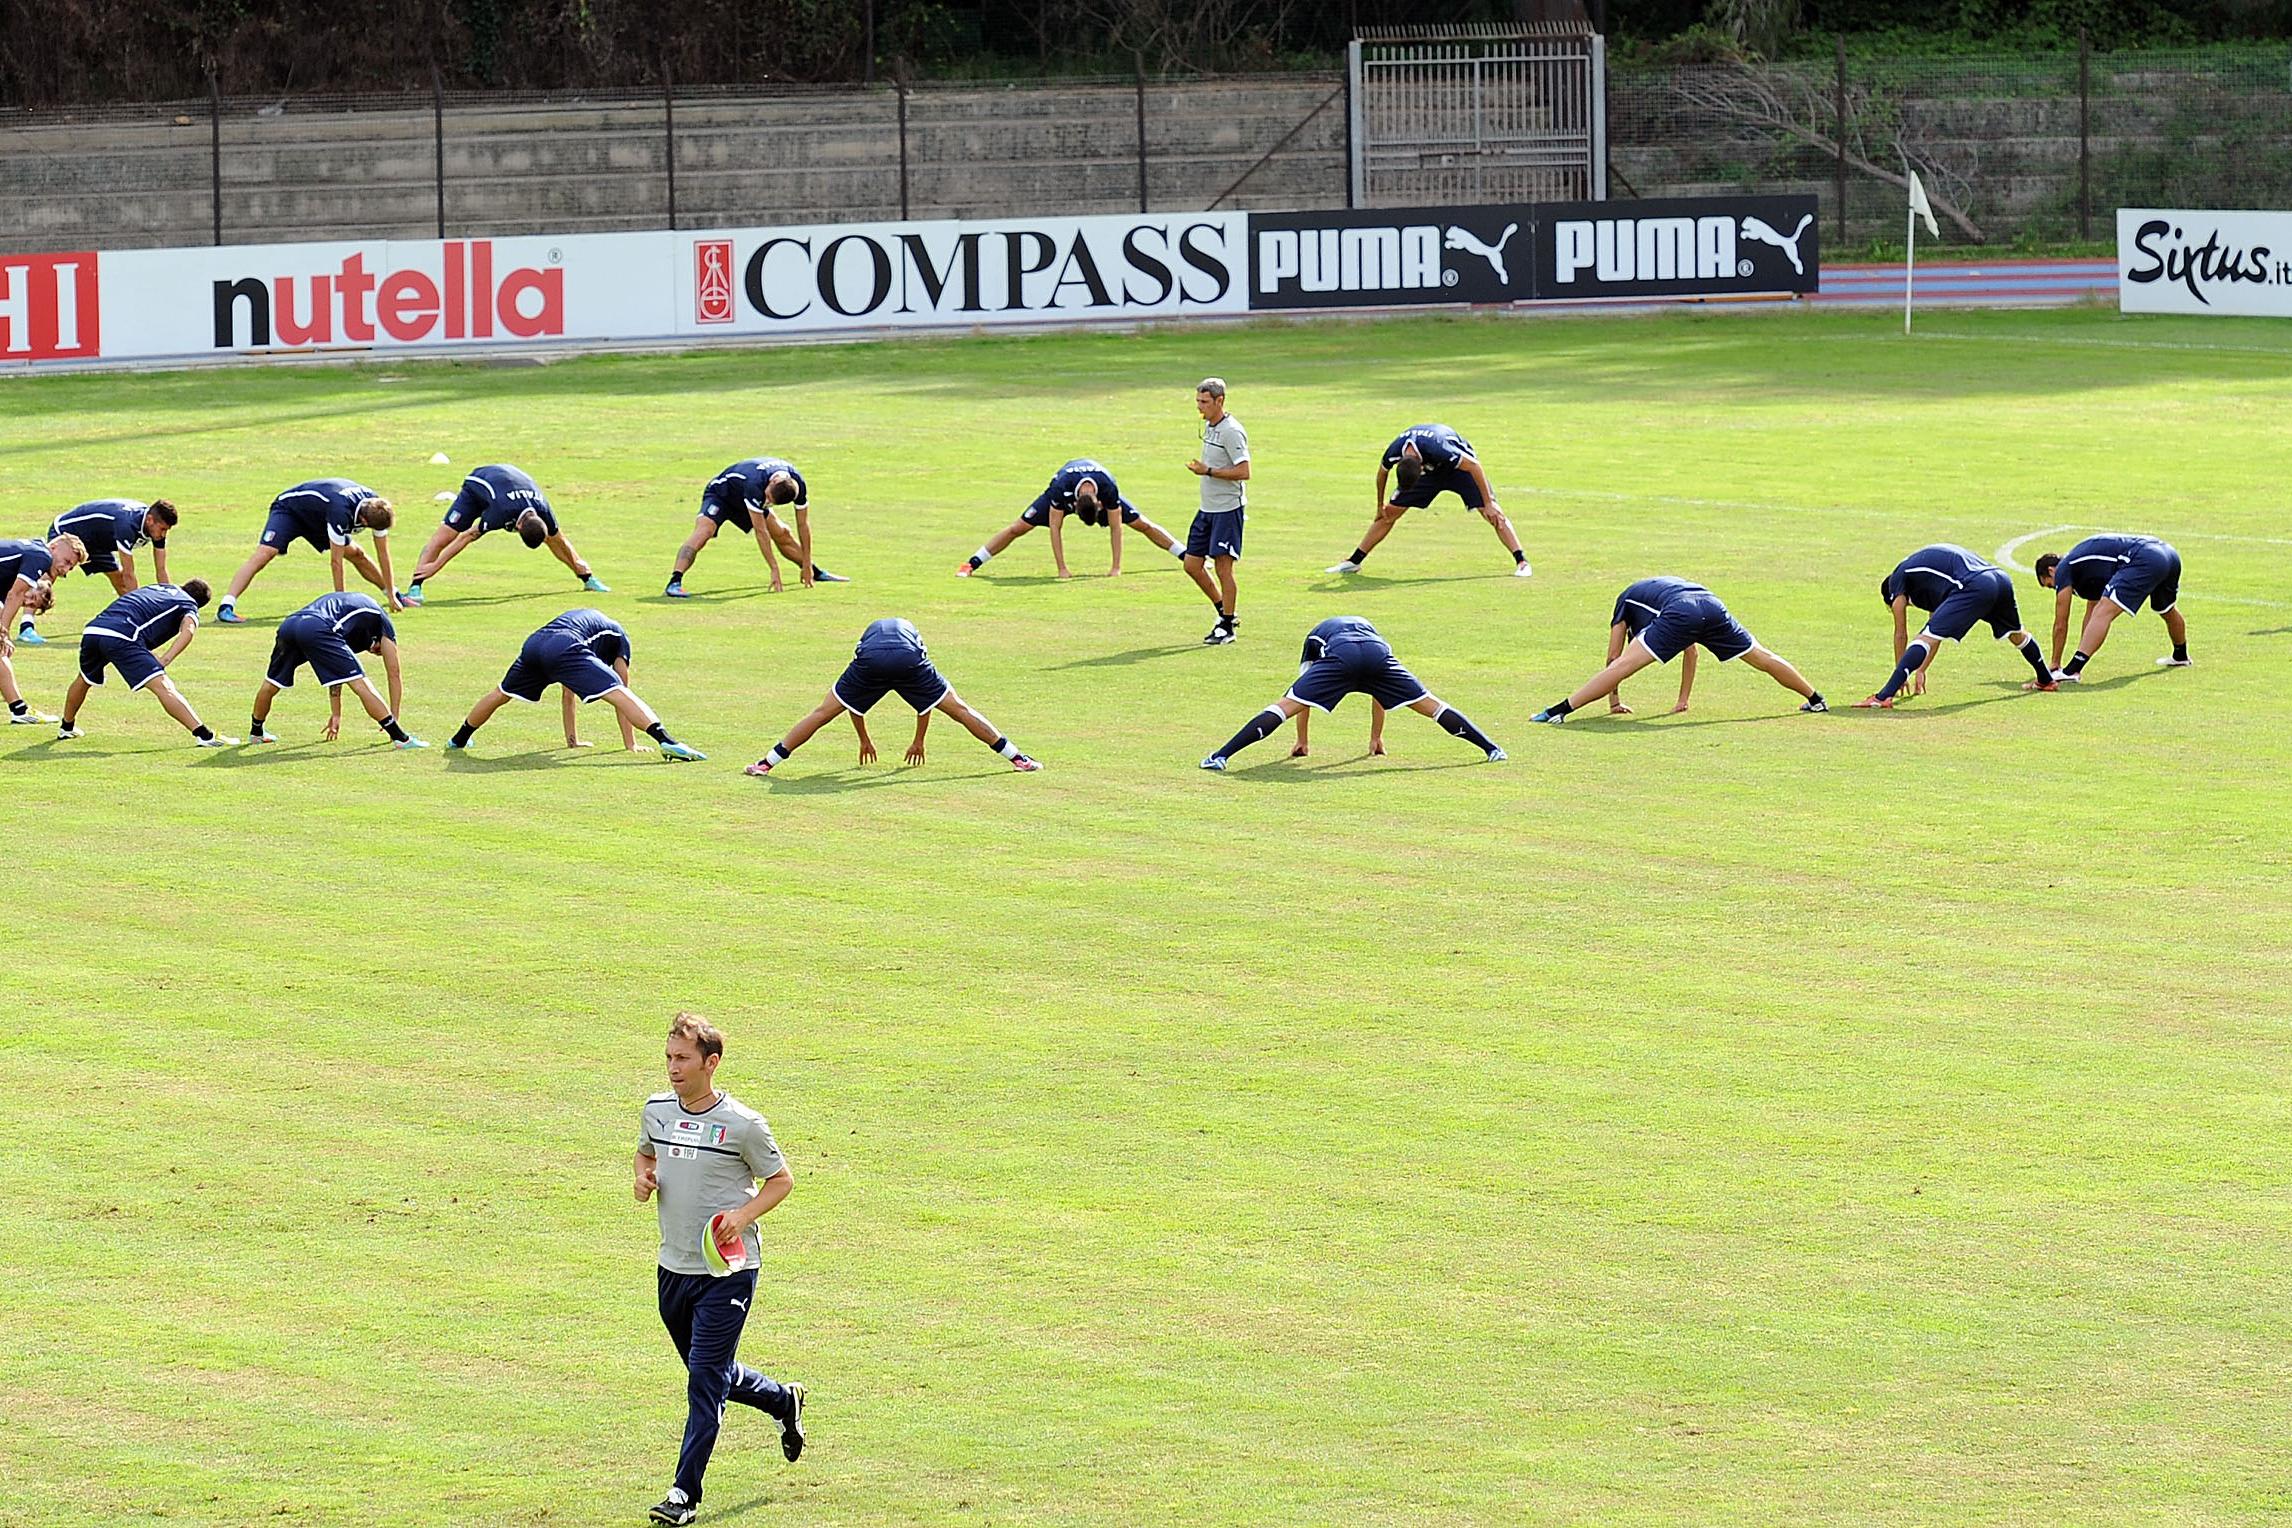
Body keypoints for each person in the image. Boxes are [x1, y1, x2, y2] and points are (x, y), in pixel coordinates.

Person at [634, 1013, 806, 1526]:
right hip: (673, 1268)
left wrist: (741, 1216)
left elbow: (781, 1180)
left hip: (728, 1273)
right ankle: (782, 1401)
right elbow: (645, 1156)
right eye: (668, 1057)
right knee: (709, 1373)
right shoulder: (656, 1110)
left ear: (711, 1063)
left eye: (682, 1058)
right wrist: (643, 1180)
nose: (672, 1068)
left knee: (703, 1384)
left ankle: (683, 1495)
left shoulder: (743, 1125)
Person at [1200, 615, 1504, 770]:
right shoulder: (1372, 632)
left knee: (1283, 706)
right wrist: (1376, 737)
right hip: (1378, 654)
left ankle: (1220, 756)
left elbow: (1301, 700)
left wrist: (1302, 741)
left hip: (1341, 656)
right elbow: (1379, 696)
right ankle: (1492, 749)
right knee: (1433, 706)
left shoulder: (1316, 636)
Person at [745, 617, 1040, 776]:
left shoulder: (868, 638)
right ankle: (1018, 758)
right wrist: (919, 740)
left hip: (870, 661)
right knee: (960, 710)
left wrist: (864, 738)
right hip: (910, 660)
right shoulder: (913, 638)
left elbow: (853, 705)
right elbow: (927, 704)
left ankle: (766, 763)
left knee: (821, 713)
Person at [1531, 576, 1826, 722]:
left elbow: (1613, 659)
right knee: (1762, 657)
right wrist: (1682, 700)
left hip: (1681, 609)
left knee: (1624, 666)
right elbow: (1691, 650)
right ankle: (1815, 699)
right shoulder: (1655, 592)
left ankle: (1558, 711)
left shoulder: (1625, 601)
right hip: (1712, 603)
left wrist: (1613, 703)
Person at [447, 608, 704, 759]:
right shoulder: (619, 638)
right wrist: (631, 744)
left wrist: (572, 741)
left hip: (535, 643)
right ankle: (667, 740)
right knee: (617, 692)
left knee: (501, 694)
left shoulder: (589, 635)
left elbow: (568, 694)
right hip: (564, 644)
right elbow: (623, 694)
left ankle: (458, 739)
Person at [1855, 543, 2056, 708]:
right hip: (2000, 578)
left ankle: (1882, 698)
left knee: (1922, 639)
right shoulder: (1929, 585)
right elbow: (1937, 631)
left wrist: (1898, 677)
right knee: (2016, 634)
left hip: (1974, 584)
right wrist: (1922, 669)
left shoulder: (1897, 579)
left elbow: (1901, 633)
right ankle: (2046, 680)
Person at [1326, 424, 1531, 577]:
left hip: (1461, 471)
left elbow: (1474, 466)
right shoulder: (1395, 451)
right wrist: (1379, 506)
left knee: (1492, 513)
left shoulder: (1440, 448)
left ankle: (1522, 562)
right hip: (1429, 472)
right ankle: (1354, 561)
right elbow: (1381, 475)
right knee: (1388, 515)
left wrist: (1488, 502)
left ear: (1422, 466)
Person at [56, 578, 236, 745]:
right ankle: (205, 736)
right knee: (164, 687)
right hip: (124, 636)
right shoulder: (188, 605)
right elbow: (188, 630)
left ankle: (66, 727)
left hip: (94, 630)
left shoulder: (159, 587)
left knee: (84, 679)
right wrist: (166, 659)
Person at [399, 464, 607, 605]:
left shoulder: (544, 512)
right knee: (445, 536)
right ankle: (415, 587)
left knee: (554, 539)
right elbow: (468, 536)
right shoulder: (502, 513)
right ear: (517, 525)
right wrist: (436, 566)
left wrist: (581, 567)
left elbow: (559, 539)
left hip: (511, 481)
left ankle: (587, 580)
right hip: (478, 483)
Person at [247, 591, 427, 748]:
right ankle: (400, 738)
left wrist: (336, 713)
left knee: (271, 683)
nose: (375, 651)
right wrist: (394, 715)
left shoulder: (352, 625)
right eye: (378, 649)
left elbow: (335, 674)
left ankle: (256, 733)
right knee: (361, 684)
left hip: (290, 624)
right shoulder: (382, 622)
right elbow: (394, 673)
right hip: (317, 626)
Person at [956, 458, 1186, 579]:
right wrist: (1062, 569)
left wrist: (1116, 568)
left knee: (1142, 524)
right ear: (1073, 506)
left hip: (1095, 492)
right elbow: (1055, 529)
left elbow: (1116, 527)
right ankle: (971, 563)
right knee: (1018, 528)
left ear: (1099, 503)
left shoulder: (1107, 487)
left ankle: (1187, 555)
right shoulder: (1060, 488)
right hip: (1059, 493)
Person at [216, 478, 400, 623]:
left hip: (320, 517)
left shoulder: (378, 507)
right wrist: (340, 604)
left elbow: (383, 553)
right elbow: (336, 562)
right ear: (364, 521)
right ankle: (226, 606)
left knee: (357, 554)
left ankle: (392, 593)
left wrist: (392, 594)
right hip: (290, 511)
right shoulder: (341, 509)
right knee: (265, 553)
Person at [666, 457, 849, 598]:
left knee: (782, 533)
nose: (767, 502)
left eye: (771, 502)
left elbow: (803, 525)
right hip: (722, 495)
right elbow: (761, 532)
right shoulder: (755, 483)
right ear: (771, 484)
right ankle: (674, 582)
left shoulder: (797, 484)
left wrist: (807, 563)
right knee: (704, 532)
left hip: (750, 499)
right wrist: (774, 568)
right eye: (768, 497)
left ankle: (815, 571)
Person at [2030, 534, 2190, 683]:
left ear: (2051, 571)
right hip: (2168, 554)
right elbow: (2091, 614)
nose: (2056, 589)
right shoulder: (2086, 570)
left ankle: (2072, 671)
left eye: (2051, 585)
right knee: (2166, 610)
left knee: (2104, 611)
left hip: (2143, 557)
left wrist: (2055, 664)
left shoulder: (2064, 568)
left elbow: (2061, 623)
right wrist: (2080, 650)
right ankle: (2180, 655)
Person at [17, 499, 176, 644]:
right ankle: (26, 627)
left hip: (98, 543)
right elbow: (130, 574)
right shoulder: (126, 524)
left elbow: (161, 570)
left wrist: (169, 604)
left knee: (120, 582)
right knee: (49, 575)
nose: (163, 534)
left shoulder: (155, 529)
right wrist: (142, 609)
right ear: (150, 520)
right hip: (68, 531)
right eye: (162, 529)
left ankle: (134, 626)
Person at [1184, 378, 1250, 644]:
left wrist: (1208, 471)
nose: (1200, 408)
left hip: (1227, 509)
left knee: (1224, 568)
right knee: (1192, 564)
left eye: (1204, 402)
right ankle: (1224, 611)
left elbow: (1244, 471)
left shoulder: (1232, 431)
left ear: (1219, 401)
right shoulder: (1211, 426)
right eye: (1198, 401)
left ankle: (1227, 627)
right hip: (1207, 509)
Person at [0, 533, 84, 721]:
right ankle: (19, 711)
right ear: (54, 547)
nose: (65, 570)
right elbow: (16, 595)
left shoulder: (25, 556)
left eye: (71, 567)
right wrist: (3, 634)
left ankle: (19, 710)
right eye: (67, 561)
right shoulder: (41, 555)